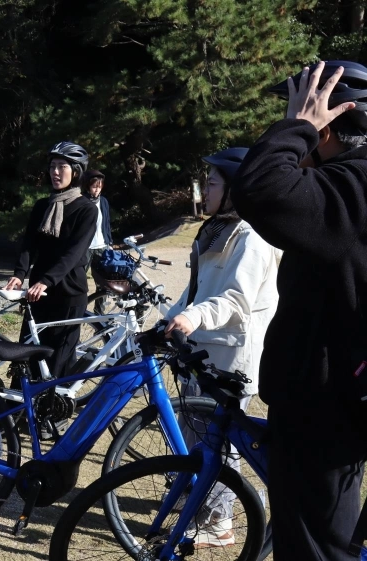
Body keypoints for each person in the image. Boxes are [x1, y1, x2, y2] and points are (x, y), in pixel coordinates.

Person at [232, 60, 367, 560]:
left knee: (316, 550)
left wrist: (299, 126)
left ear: (326, 128)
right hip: (334, 398)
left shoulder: (352, 186)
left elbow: (260, 187)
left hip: (326, 410)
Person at [162, 146, 282, 548]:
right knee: (196, 434)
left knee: (221, 442)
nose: (206, 189)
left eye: (213, 183)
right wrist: (170, 319)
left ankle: (221, 522)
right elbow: (196, 292)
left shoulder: (252, 235)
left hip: (232, 354)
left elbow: (235, 300)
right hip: (203, 349)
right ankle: (204, 504)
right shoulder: (216, 229)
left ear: (236, 189)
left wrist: (191, 318)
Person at [4, 141, 98, 385]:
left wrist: (46, 281)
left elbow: (74, 253)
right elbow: (28, 245)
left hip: (68, 293)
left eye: (62, 166)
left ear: (76, 171)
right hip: (38, 293)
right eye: (52, 166)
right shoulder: (42, 207)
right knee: (27, 355)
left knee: (58, 361)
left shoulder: (86, 209)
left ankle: (49, 414)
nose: (55, 172)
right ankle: (17, 413)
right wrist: (19, 274)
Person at [83, 169, 113, 268]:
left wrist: (109, 242)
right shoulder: (82, 202)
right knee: (80, 276)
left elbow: (106, 223)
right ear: (88, 186)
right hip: (86, 247)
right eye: (94, 187)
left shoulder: (104, 201)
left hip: (102, 245)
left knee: (103, 278)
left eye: (99, 187)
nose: (97, 190)